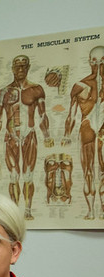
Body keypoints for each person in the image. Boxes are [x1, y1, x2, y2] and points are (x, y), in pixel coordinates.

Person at [0, 55, 54, 220]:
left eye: (23, 67)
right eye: (17, 67)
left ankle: (28, 210)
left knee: (29, 175)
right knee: (13, 176)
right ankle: (15, 214)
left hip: (29, 135)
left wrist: (47, 136)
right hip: (10, 137)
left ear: (28, 67)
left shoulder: (36, 89)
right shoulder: (4, 92)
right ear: (12, 68)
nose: (20, 70)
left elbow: (42, 115)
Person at [61, 45, 104, 220]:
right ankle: (91, 210)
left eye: (102, 61)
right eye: (95, 61)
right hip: (86, 127)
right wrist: (66, 134)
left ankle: (101, 210)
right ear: (89, 62)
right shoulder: (80, 85)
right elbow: (72, 113)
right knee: (88, 171)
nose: (98, 65)